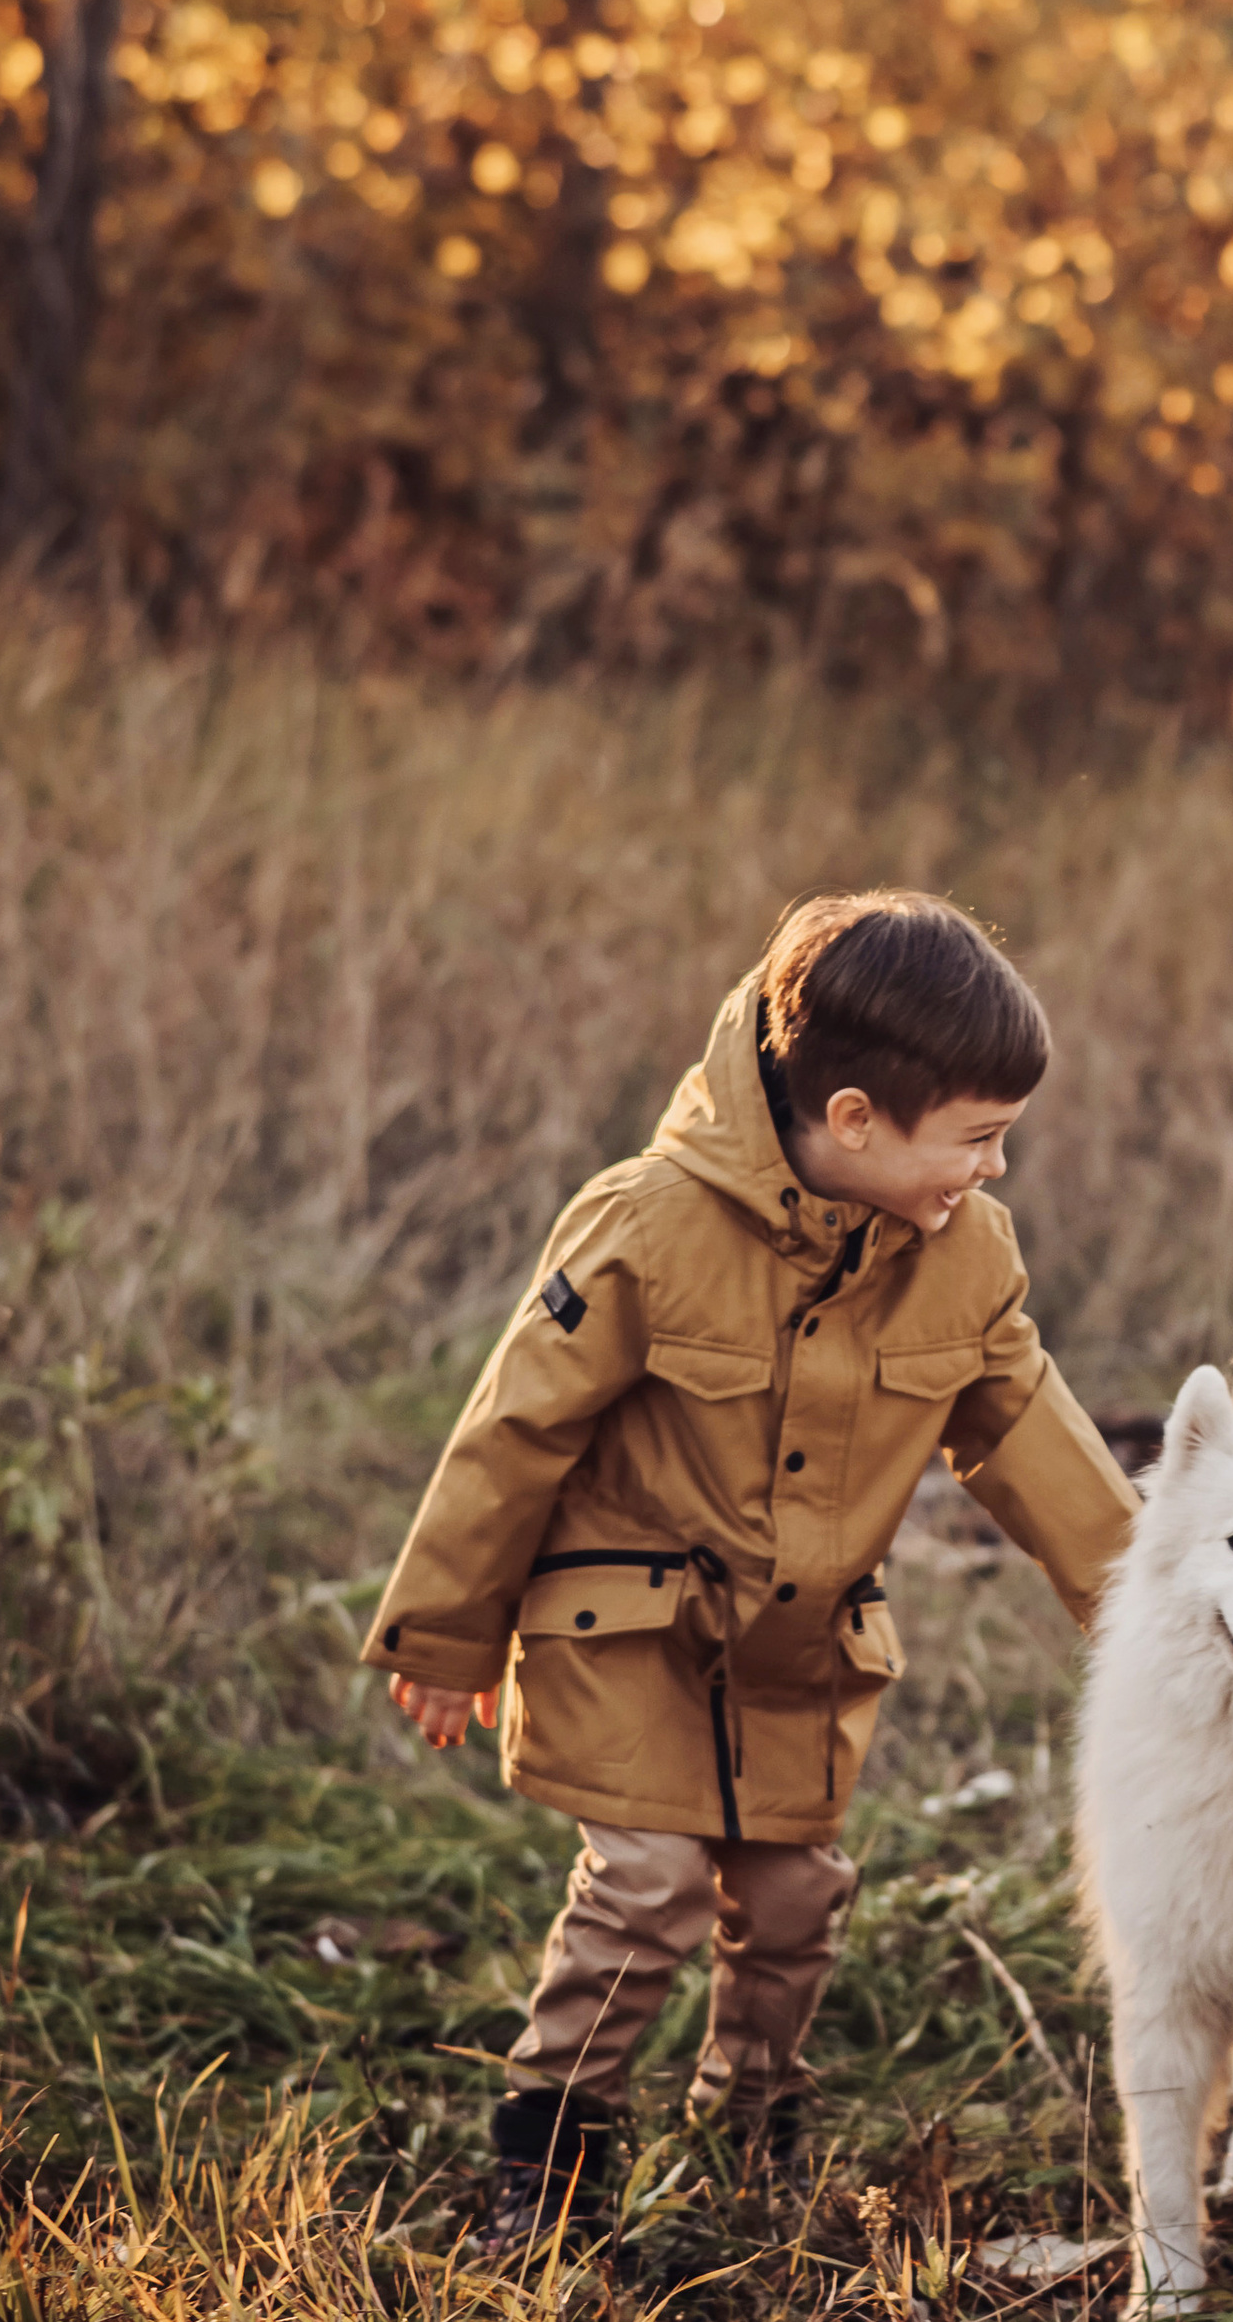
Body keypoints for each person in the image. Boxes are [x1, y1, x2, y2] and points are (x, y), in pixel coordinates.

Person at [363, 889, 1136, 2248]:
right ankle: (548, 2161)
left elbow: (1029, 1432)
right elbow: (515, 1429)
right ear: (855, 1120)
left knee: (791, 1900)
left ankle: (749, 2131)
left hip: (800, 1654)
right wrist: (444, 1631)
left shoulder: (967, 1262)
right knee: (649, 1883)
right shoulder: (645, 1225)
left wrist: (1148, 1609)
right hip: (627, 1638)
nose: (995, 1169)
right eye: (978, 1138)